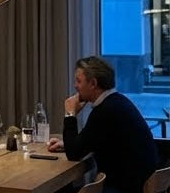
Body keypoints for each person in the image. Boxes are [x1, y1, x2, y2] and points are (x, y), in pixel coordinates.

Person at [47, 55, 157, 193]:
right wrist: (67, 144)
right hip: (139, 183)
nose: (75, 86)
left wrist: (70, 114)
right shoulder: (118, 101)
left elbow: (74, 154)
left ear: (93, 83)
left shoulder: (104, 111)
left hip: (124, 188)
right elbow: (91, 142)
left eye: (78, 81)